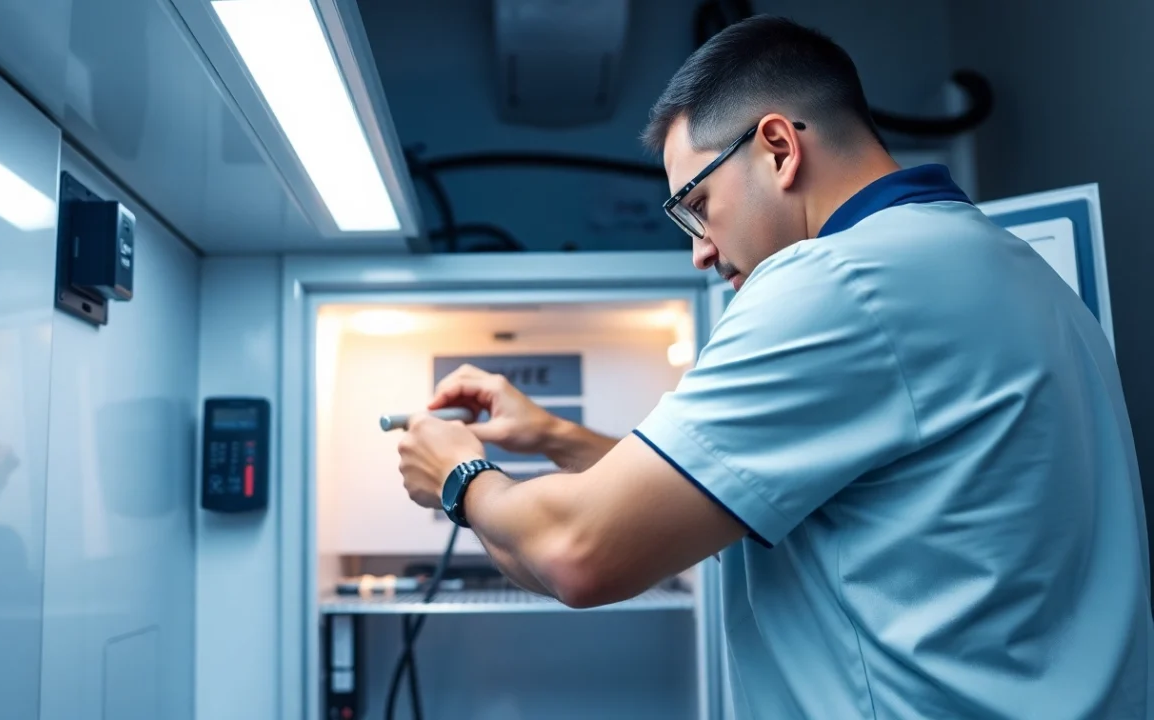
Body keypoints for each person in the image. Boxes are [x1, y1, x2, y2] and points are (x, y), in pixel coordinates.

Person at [395, 14, 1153, 720]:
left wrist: (460, 478)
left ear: (780, 148)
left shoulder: (838, 280)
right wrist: (559, 436)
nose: (698, 249)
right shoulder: (1017, 271)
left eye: (696, 204)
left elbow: (580, 553)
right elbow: (738, 493)